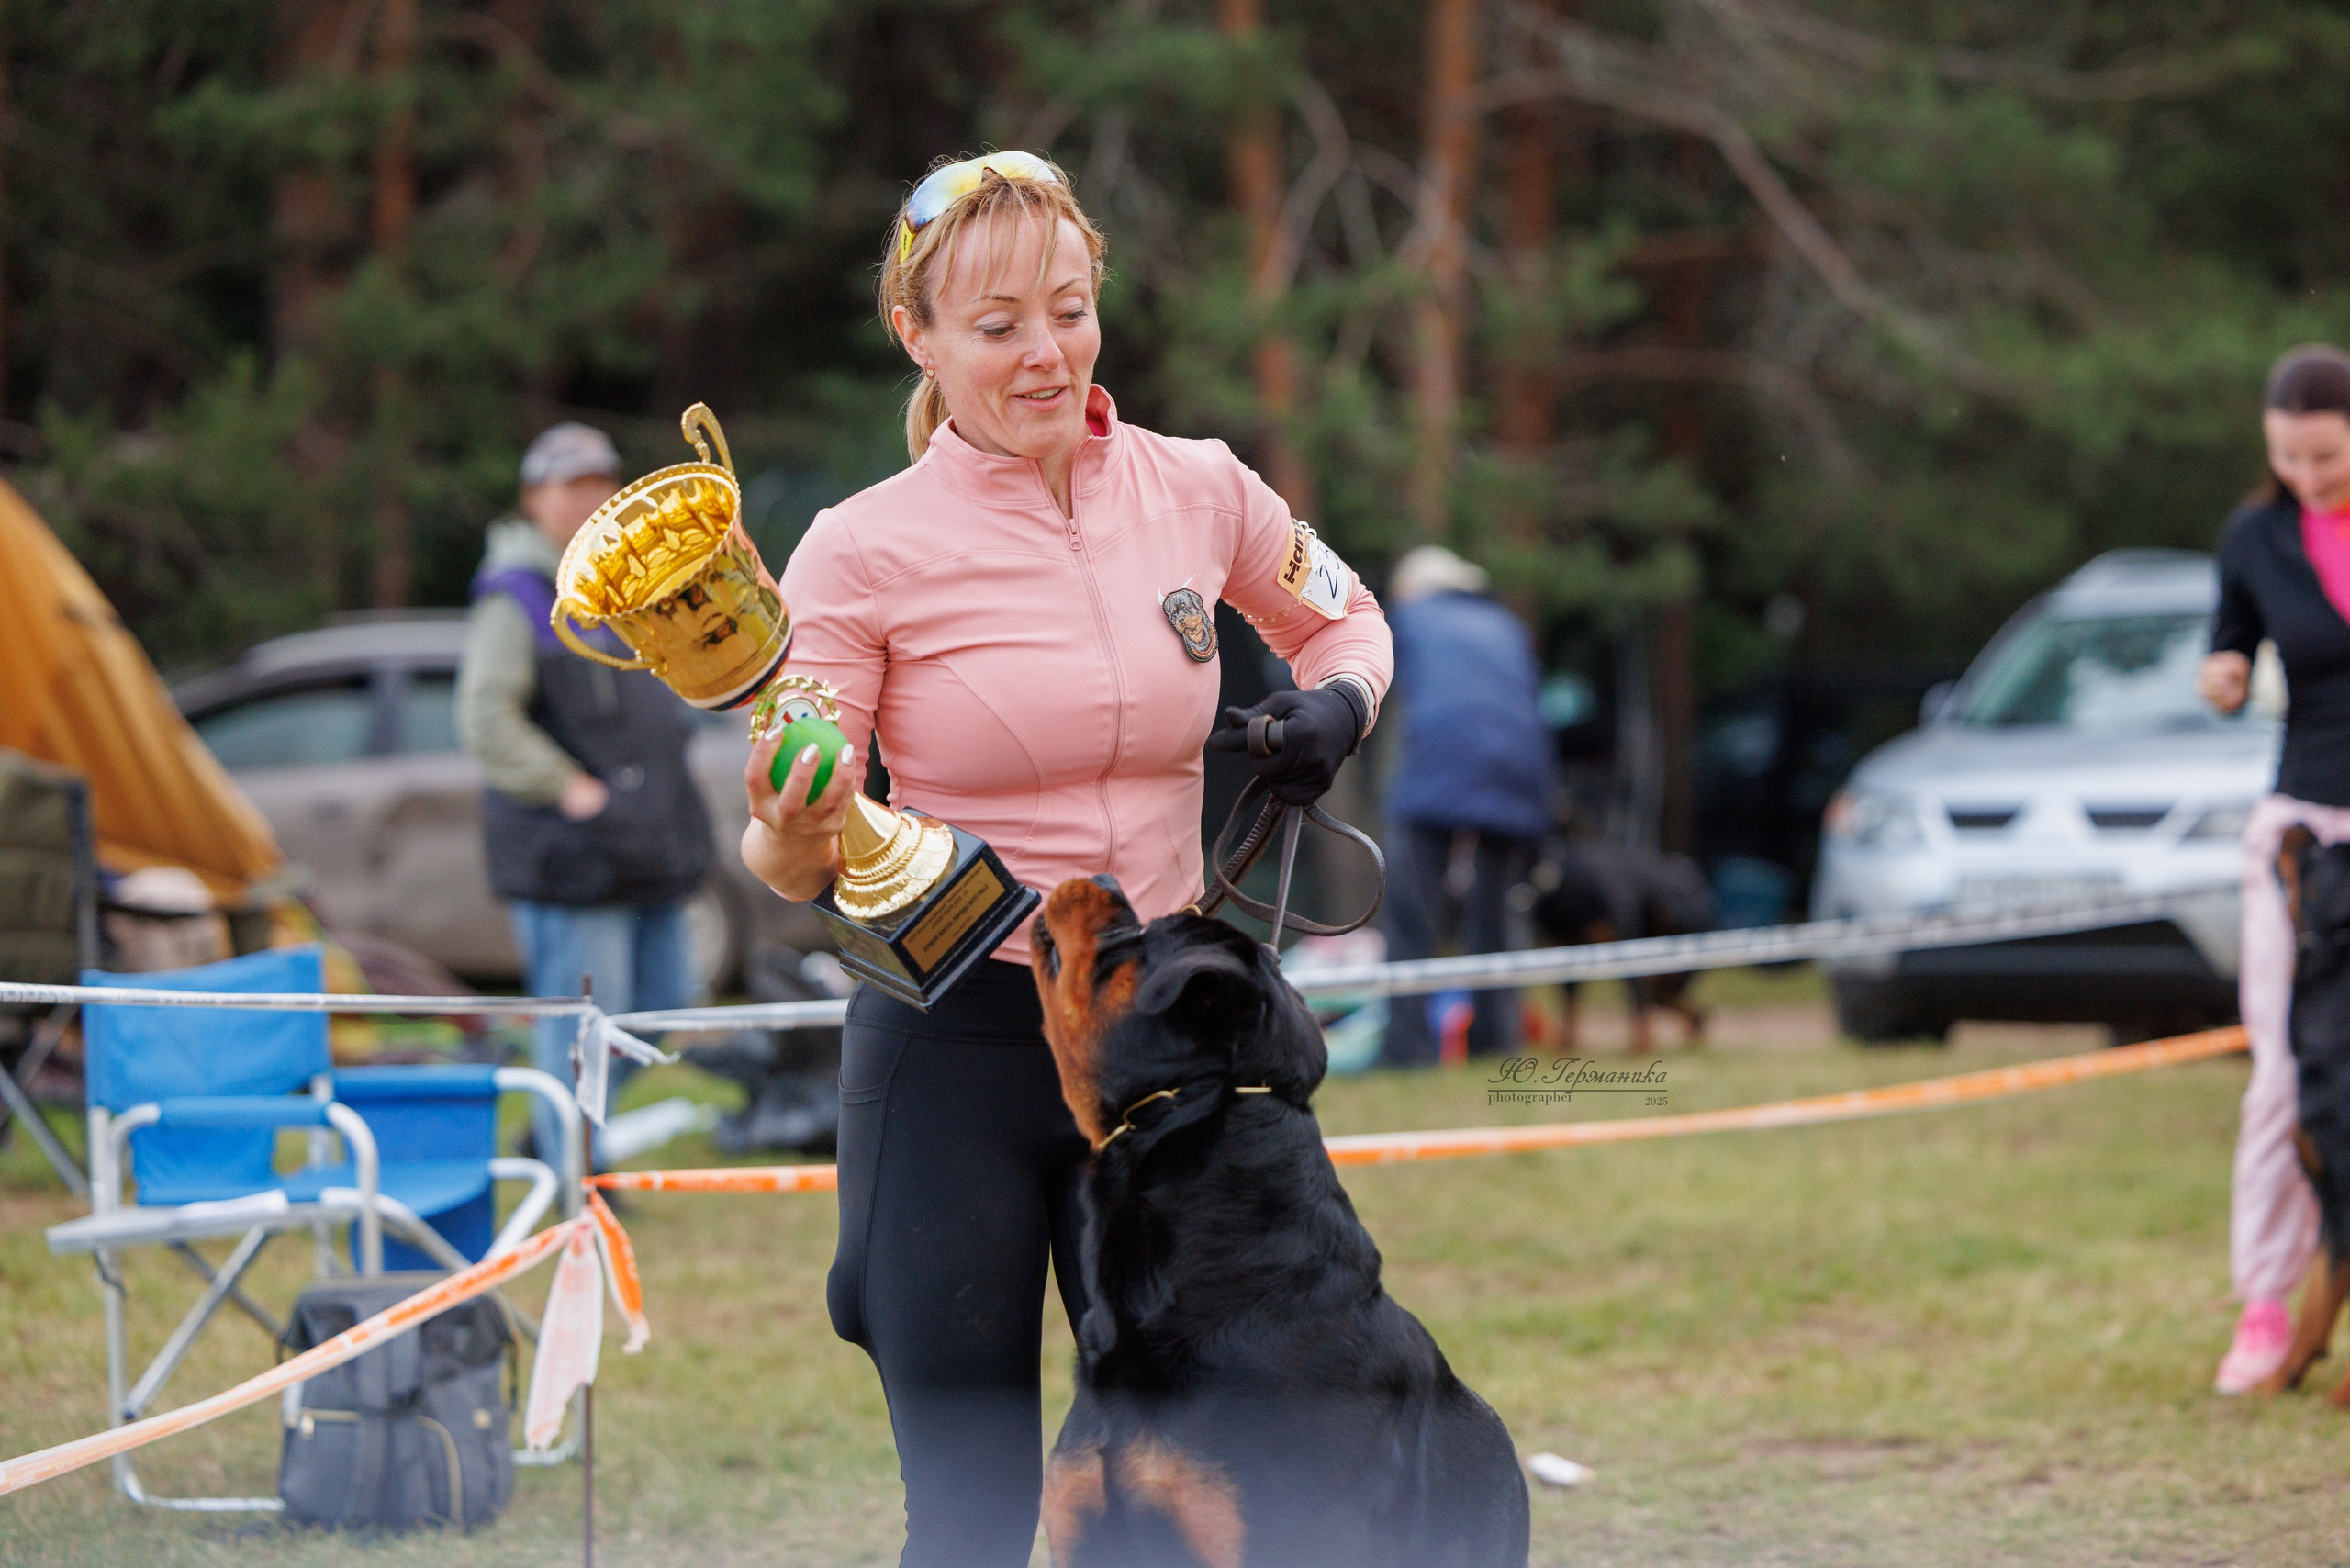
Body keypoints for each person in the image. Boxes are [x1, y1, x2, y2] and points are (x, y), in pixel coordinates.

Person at [736, 151, 1392, 1566]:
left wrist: (1335, 708)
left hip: (1171, 1055)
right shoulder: (855, 553)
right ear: (916, 335)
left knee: (1202, 1505)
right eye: (996, 326)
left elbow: (1348, 623)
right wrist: (795, 817)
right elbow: (791, 854)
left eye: (1071, 309)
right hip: (957, 1036)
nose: (1046, 353)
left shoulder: (1200, 486)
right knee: (971, 1523)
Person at [455, 421, 711, 1161]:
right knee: (582, 1032)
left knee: (662, 1011)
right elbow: (484, 718)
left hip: (647, 845)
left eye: (600, 483)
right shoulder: (518, 596)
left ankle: (554, 1141)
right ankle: (575, 1184)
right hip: (574, 856)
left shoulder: (626, 589)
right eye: (571, 486)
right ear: (533, 499)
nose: (589, 498)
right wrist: (569, 789)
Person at [2198, 343, 2350, 1394]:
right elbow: (2230, 647)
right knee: (2283, 1078)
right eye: (2288, 457)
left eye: (2327, 456)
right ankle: (2264, 1303)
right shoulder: (2253, 537)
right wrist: (2221, 673)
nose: (2307, 476)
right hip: (2299, 828)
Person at [1376, 544, 1554, 1066]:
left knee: (1414, 912)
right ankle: (1498, 1045)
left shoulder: (1407, 616)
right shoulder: (1506, 624)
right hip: (1520, 770)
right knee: (1496, 915)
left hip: (1439, 763)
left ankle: (1408, 1053)